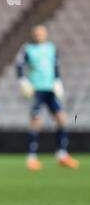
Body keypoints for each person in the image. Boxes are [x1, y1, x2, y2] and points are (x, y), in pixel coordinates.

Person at [17, 24, 79, 170]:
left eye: (41, 33)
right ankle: (31, 157)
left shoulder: (51, 48)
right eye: (37, 33)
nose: (39, 35)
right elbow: (19, 65)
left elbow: (55, 66)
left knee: (61, 118)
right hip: (37, 89)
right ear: (33, 34)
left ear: (45, 34)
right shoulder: (27, 48)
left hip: (50, 88)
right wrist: (22, 80)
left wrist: (58, 80)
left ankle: (62, 154)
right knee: (36, 121)